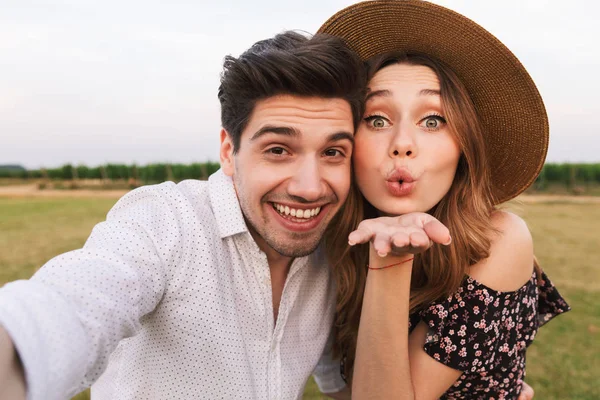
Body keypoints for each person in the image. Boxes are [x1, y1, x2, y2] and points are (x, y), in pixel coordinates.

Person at [0, 31, 367, 400]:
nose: (310, 187)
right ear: (228, 151)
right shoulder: (166, 224)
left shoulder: (331, 253)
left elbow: (338, 383)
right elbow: (73, 303)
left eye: (333, 152)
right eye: (278, 149)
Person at [317, 1, 570, 399]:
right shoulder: (332, 243)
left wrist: (391, 258)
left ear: (464, 146)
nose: (401, 144)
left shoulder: (499, 239)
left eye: (432, 120)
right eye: (376, 119)